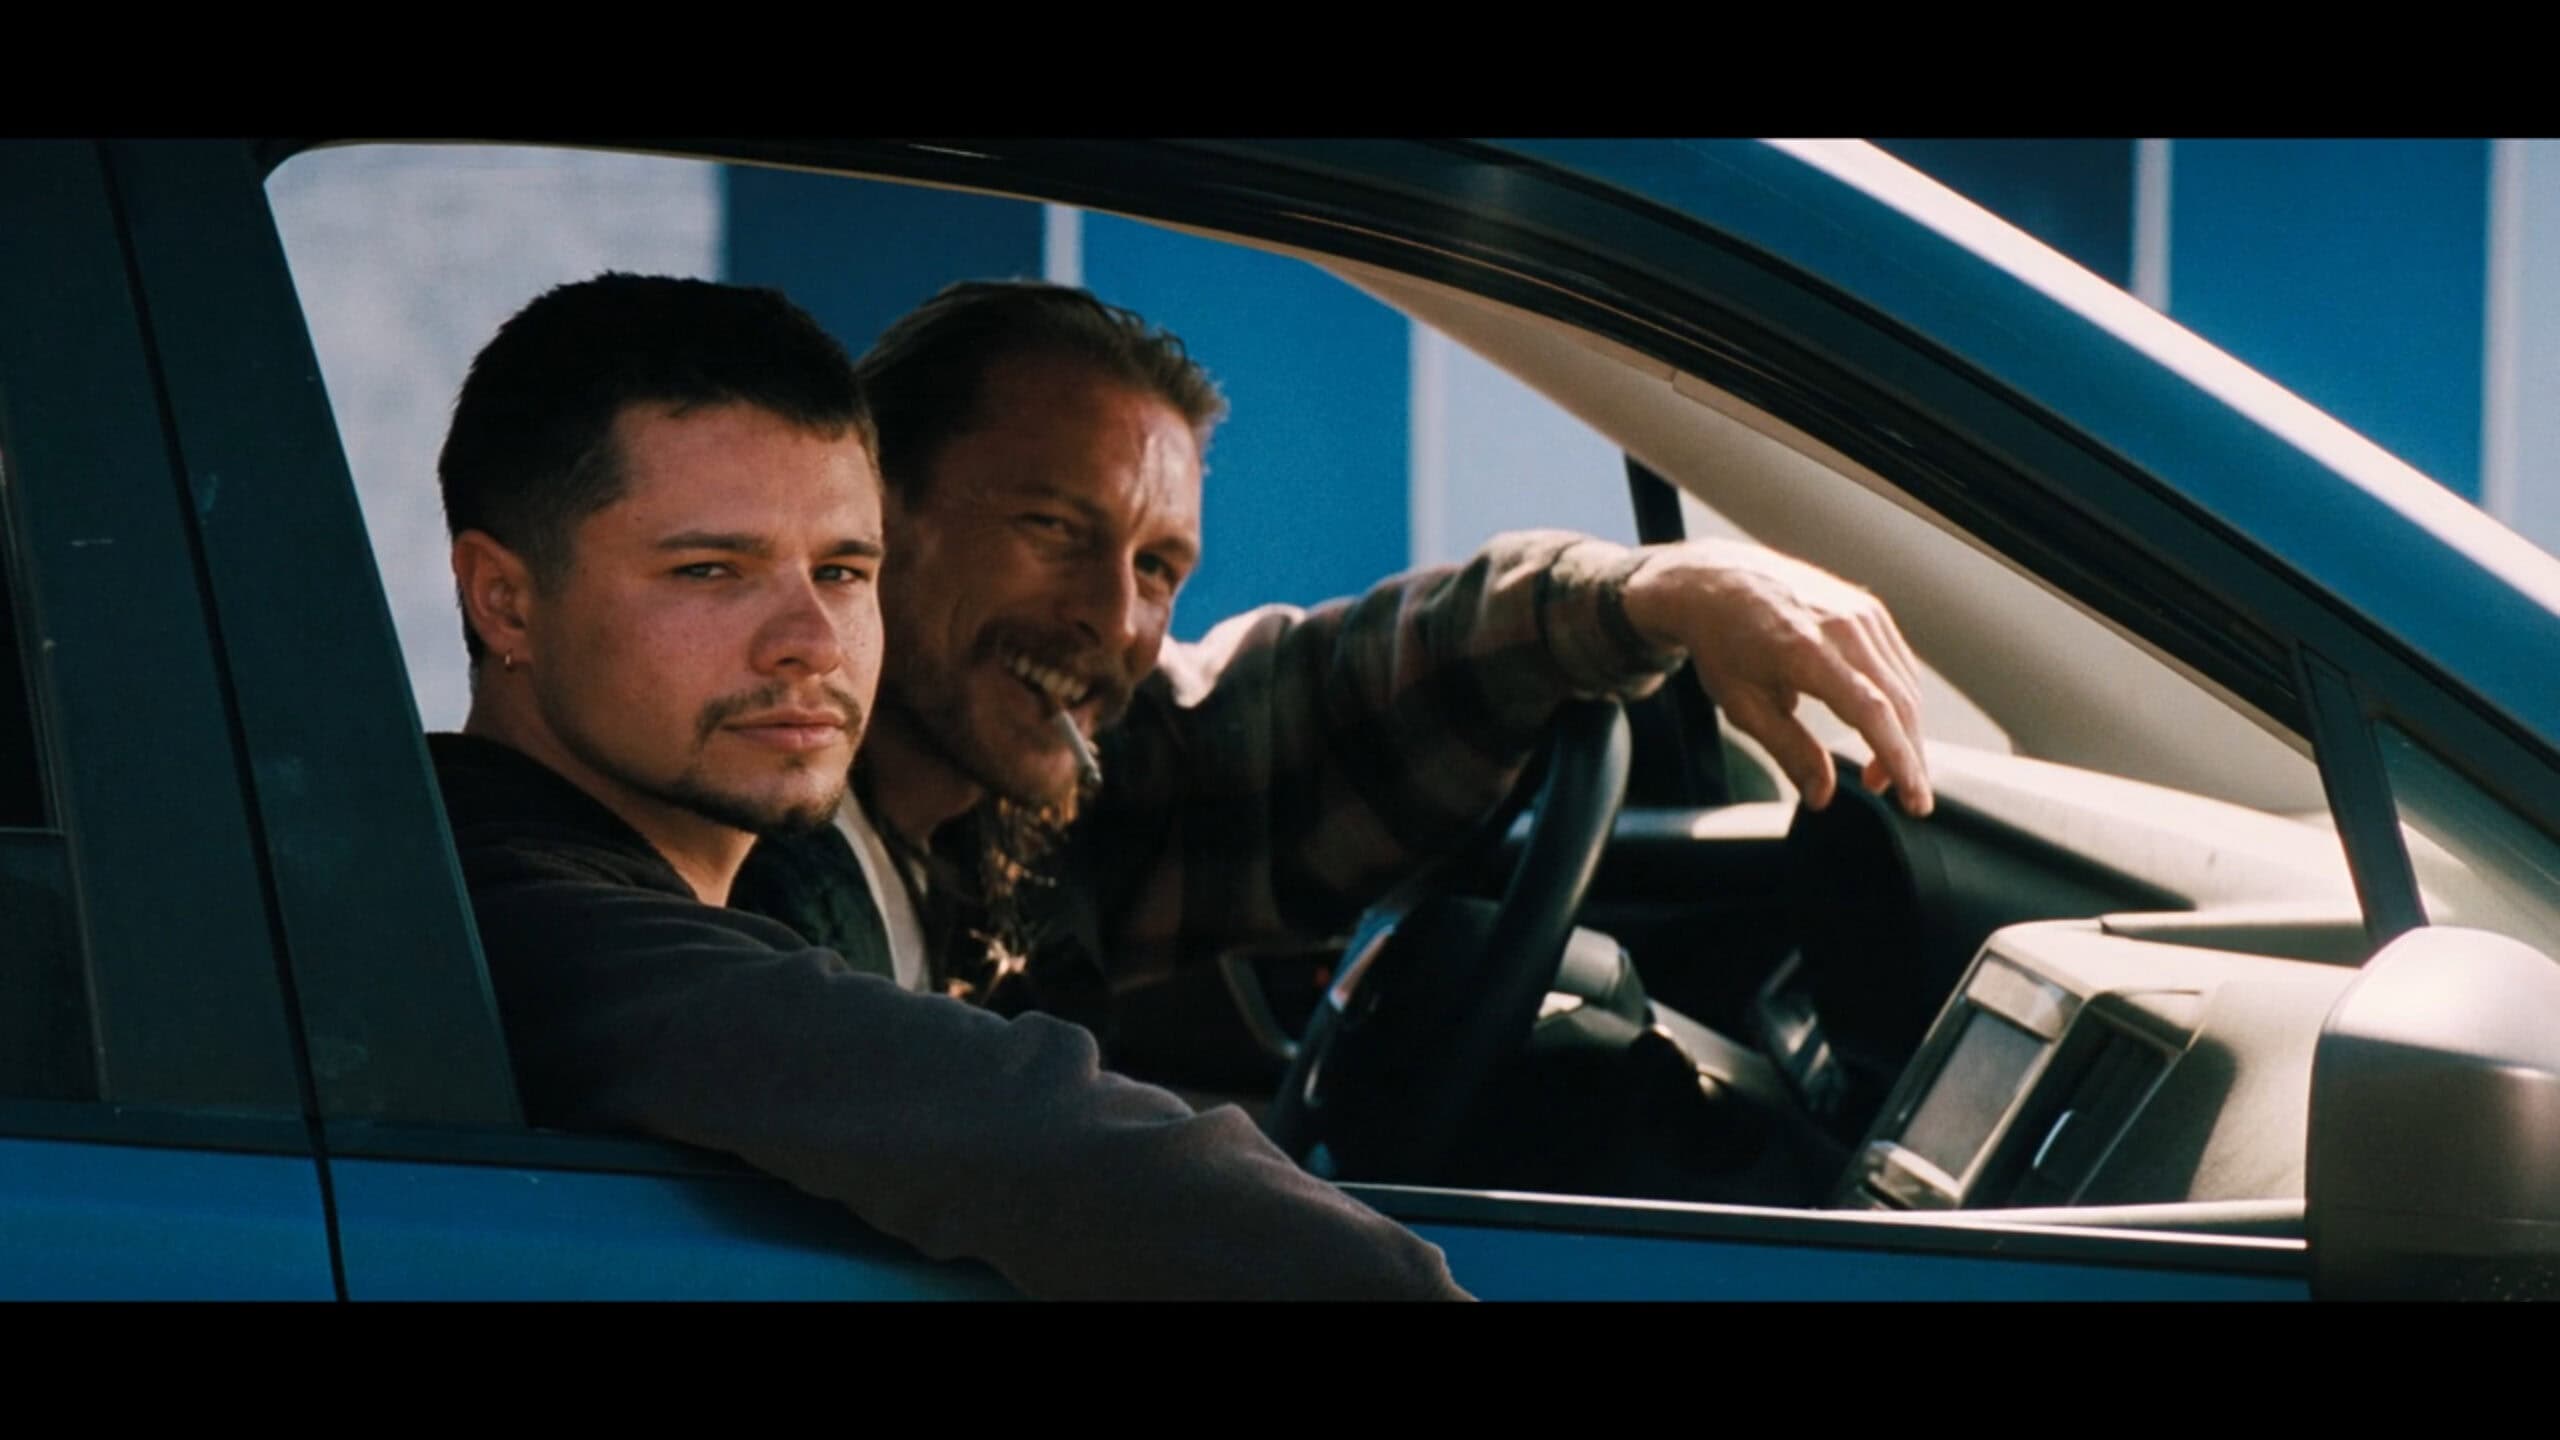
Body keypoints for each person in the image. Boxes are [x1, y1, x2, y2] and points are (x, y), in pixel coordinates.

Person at [430, 271, 1468, 1300]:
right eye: (711, 570)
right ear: (505, 601)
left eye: (842, 572)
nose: (812, 643)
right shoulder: (497, 912)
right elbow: (997, 1123)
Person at [732, 280, 1932, 1097]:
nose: (1113, 619)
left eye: (1158, 569)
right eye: (1052, 528)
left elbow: (1298, 709)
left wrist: (1656, 594)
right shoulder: (757, 867)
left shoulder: (1005, 801)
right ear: (871, 509)